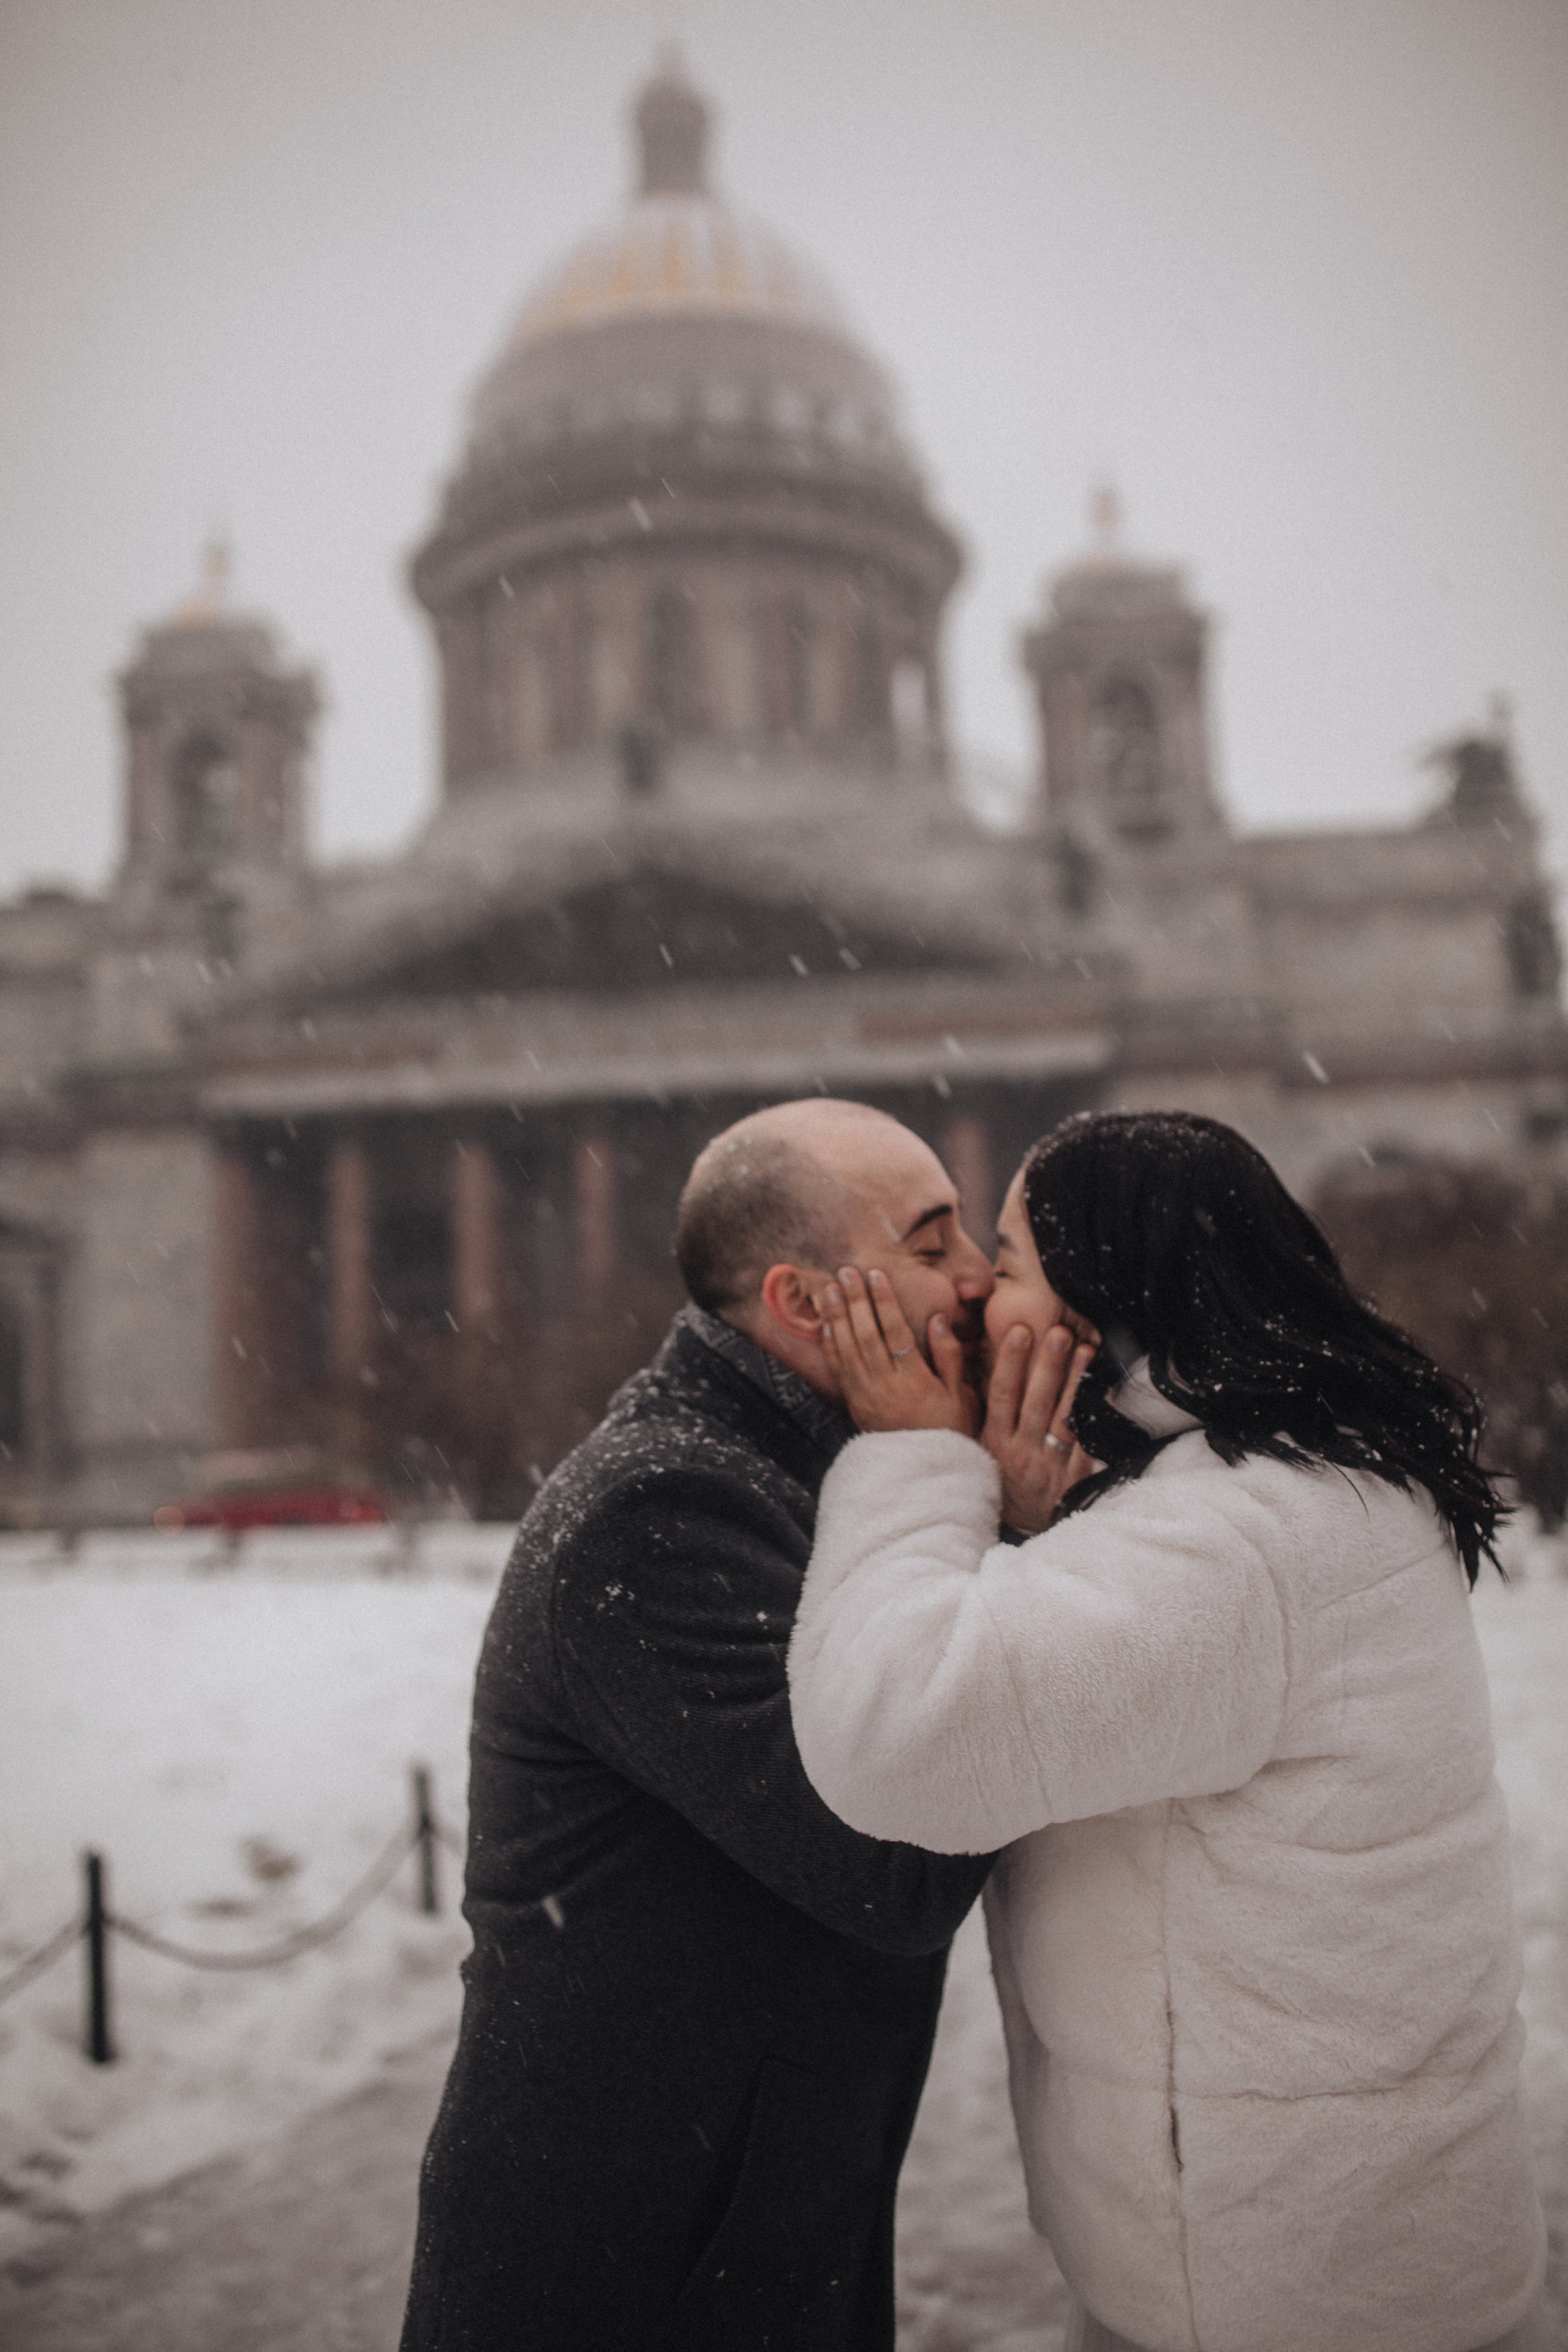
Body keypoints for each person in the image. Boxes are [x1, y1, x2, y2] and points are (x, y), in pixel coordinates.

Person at [788, 1110, 1548, 2352]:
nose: (979, 1298)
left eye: (1013, 1259)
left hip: (1282, 2296)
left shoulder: (1234, 1544)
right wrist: (1055, 1519)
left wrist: (913, 1461)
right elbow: (1134, 1648)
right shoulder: (1298, 1483)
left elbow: (894, 1734)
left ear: (1109, 1299)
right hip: (1337, 2255)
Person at [400, 1098, 997, 2352]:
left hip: (738, 2234)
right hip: (632, 2271)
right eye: (933, 1244)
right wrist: (992, 1508)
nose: (978, 1282)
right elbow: (897, 1860)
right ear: (801, 1304)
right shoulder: (660, 1511)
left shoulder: (789, 1475)